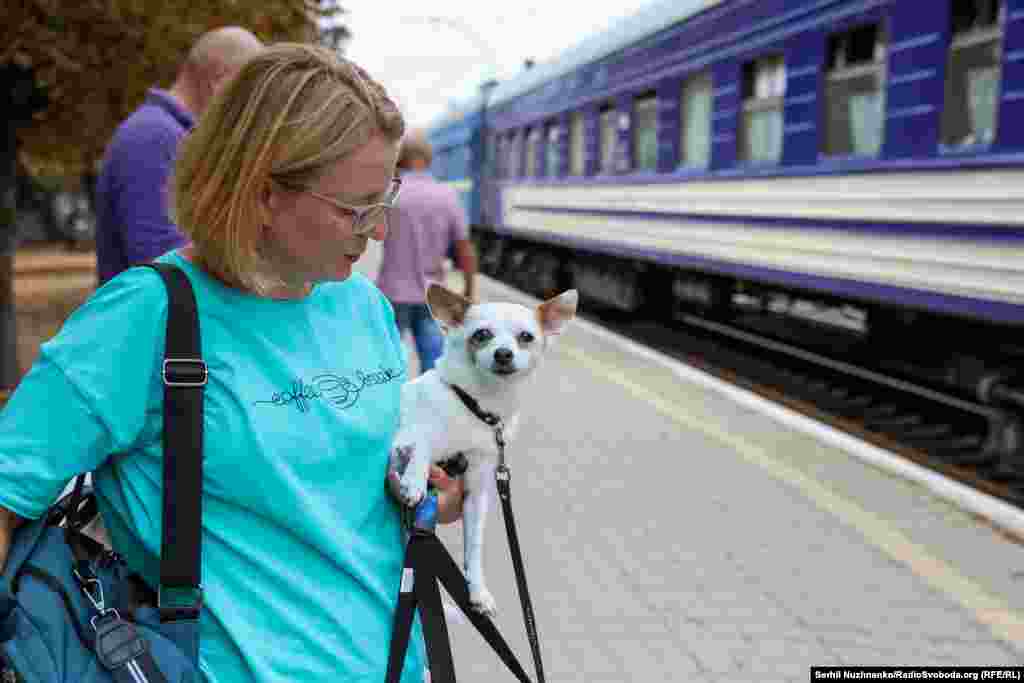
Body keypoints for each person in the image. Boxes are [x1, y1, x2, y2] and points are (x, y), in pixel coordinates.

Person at [0, 44, 464, 682]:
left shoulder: (364, 308)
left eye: (384, 198)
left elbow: (332, 487)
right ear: (263, 192)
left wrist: (419, 483)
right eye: (355, 209)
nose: (378, 231)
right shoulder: (143, 318)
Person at [94, 26, 264, 285]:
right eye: (247, 96)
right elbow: (163, 265)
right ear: (220, 83)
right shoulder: (153, 139)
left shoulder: (172, 137)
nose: (248, 112)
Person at [376, 130, 478, 373]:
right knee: (433, 367)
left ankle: (391, 408)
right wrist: (469, 290)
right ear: (429, 159)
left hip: (392, 292)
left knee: (385, 367)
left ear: (400, 159)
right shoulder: (448, 196)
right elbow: (464, 249)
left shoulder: (390, 193)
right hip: (433, 296)